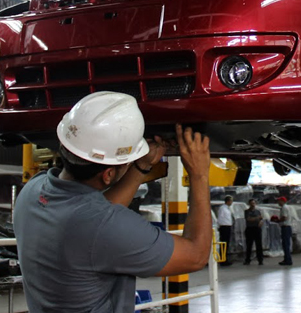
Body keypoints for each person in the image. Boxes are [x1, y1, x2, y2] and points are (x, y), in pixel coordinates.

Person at [14, 91, 212, 313]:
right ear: (108, 175)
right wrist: (199, 174)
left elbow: (97, 216)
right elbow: (196, 256)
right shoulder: (101, 226)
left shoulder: (31, 191)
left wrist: (139, 167)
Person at [243, 198, 264, 265]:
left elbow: (261, 218)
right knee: (249, 245)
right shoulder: (247, 211)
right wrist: (257, 218)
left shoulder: (258, 211)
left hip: (257, 228)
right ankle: (247, 260)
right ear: (249, 204)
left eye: (254, 203)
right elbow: (249, 219)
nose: (253, 205)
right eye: (251, 203)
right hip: (250, 229)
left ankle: (260, 260)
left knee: (259, 245)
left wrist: (260, 222)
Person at [217, 195, 235, 266]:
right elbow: (220, 218)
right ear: (227, 201)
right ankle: (223, 259)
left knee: (227, 244)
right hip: (224, 227)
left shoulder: (228, 208)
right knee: (224, 243)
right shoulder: (223, 208)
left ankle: (225, 258)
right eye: (230, 201)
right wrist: (220, 226)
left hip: (228, 226)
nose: (231, 202)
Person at [277, 196, 293, 265]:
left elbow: (284, 217)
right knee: (286, 244)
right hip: (287, 227)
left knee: (285, 244)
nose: (278, 202)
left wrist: (277, 220)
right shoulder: (287, 207)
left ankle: (288, 260)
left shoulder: (284, 208)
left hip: (285, 227)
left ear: (282, 201)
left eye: (279, 201)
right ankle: (287, 259)